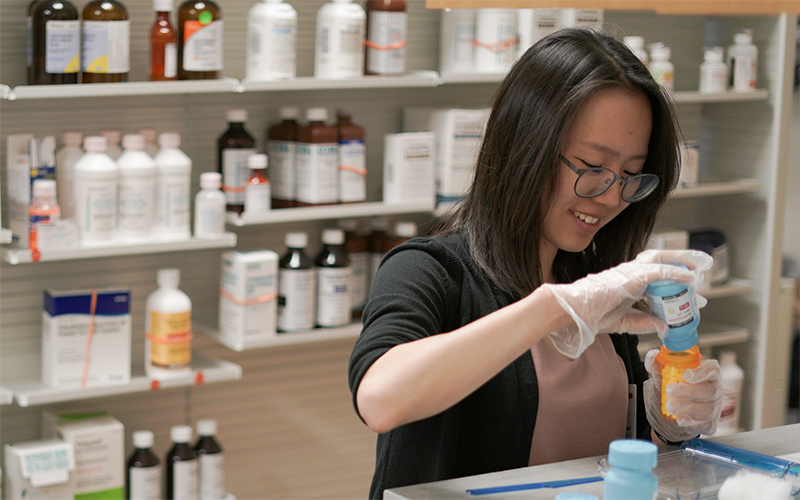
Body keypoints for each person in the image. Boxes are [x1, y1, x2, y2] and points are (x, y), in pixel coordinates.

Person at [348, 27, 723, 498]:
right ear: (525, 146)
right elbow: (380, 400)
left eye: (630, 175)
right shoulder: (430, 271)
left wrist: (667, 424)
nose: (610, 197)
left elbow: (609, 463)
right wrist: (555, 308)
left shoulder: (595, 280)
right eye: (591, 166)